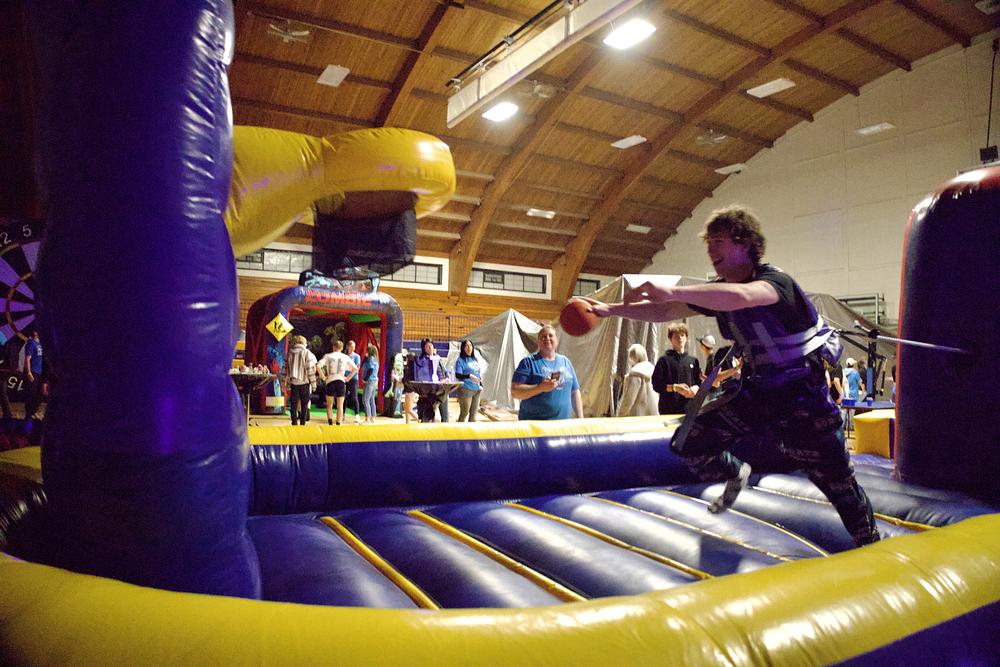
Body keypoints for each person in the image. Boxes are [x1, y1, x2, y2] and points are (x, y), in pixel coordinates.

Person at [582, 205, 879, 547]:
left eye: (718, 241)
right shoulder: (720, 291)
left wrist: (674, 290)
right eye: (708, 242)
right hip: (758, 394)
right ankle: (737, 471)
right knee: (690, 442)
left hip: (802, 398)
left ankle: (870, 541)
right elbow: (665, 310)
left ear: (745, 243)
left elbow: (745, 297)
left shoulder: (774, 282)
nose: (710, 249)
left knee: (837, 483)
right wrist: (609, 310)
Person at [511, 324, 583, 420]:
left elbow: (574, 392)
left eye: (550, 335)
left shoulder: (565, 362)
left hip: (563, 424)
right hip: (535, 425)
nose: (547, 338)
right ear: (538, 342)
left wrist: (580, 418)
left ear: (556, 340)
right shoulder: (528, 362)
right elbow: (515, 391)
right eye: (543, 337)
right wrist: (540, 388)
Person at [651, 323, 701, 415]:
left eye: (682, 335)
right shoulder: (663, 361)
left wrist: (696, 389)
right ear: (671, 339)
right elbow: (656, 385)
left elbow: (699, 382)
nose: (680, 338)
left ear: (686, 338)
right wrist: (675, 387)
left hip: (689, 409)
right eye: (676, 336)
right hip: (668, 409)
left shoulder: (693, 361)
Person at [316, 340, 356, 425]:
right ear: (342, 348)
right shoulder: (345, 357)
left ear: (333, 347)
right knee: (340, 405)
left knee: (329, 405)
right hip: (341, 381)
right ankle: (338, 423)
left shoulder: (328, 356)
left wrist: (323, 377)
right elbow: (355, 368)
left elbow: (318, 366)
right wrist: (347, 378)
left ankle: (330, 422)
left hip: (330, 380)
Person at [283, 335, 316, 426]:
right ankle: (302, 422)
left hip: (293, 382)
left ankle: (294, 422)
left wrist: (283, 381)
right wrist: (313, 384)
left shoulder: (289, 353)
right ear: (303, 342)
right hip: (304, 382)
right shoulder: (306, 352)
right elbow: (310, 369)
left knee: (293, 404)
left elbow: (284, 368)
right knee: (304, 404)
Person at [617, 343, 658, 417]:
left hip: (637, 416)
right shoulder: (653, 370)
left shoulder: (635, 374)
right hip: (653, 414)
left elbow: (629, 398)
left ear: (633, 358)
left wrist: (620, 415)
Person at [413, 338, 447, 422]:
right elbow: (421, 377)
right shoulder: (421, 361)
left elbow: (445, 372)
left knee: (445, 418)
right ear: (423, 348)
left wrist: (446, 379)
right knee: (426, 418)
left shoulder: (438, 359)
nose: (430, 348)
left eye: (431, 346)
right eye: (427, 346)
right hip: (429, 393)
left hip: (442, 391)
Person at [454, 339, 483, 422]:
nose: (469, 347)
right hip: (466, 389)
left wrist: (481, 384)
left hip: (477, 389)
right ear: (463, 348)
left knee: (473, 415)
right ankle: (459, 428)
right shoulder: (460, 361)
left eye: (470, 345)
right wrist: (469, 376)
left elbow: (477, 373)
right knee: (464, 413)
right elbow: (458, 375)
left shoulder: (475, 359)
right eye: (466, 346)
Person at [360, 344, 379, 424]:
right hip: (374, 381)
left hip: (370, 381)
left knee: (365, 399)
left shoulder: (371, 359)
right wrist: (365, 358)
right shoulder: (375, 359)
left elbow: (370, 370)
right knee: (371, 399)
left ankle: (367, 418)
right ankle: (372, 418)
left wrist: (365, 379)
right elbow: (363, 365)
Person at [344, 340, 362, 425]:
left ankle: (357, 415)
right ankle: (342, 414)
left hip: (353, 379)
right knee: (343, 397)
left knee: (354, 397)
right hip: (345, 378)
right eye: (351, 347)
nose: (352, 348)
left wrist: (349, 377)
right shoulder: (344, 356)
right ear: (347, 347)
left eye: (354, 347)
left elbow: (357, 368)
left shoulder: (357, 357)